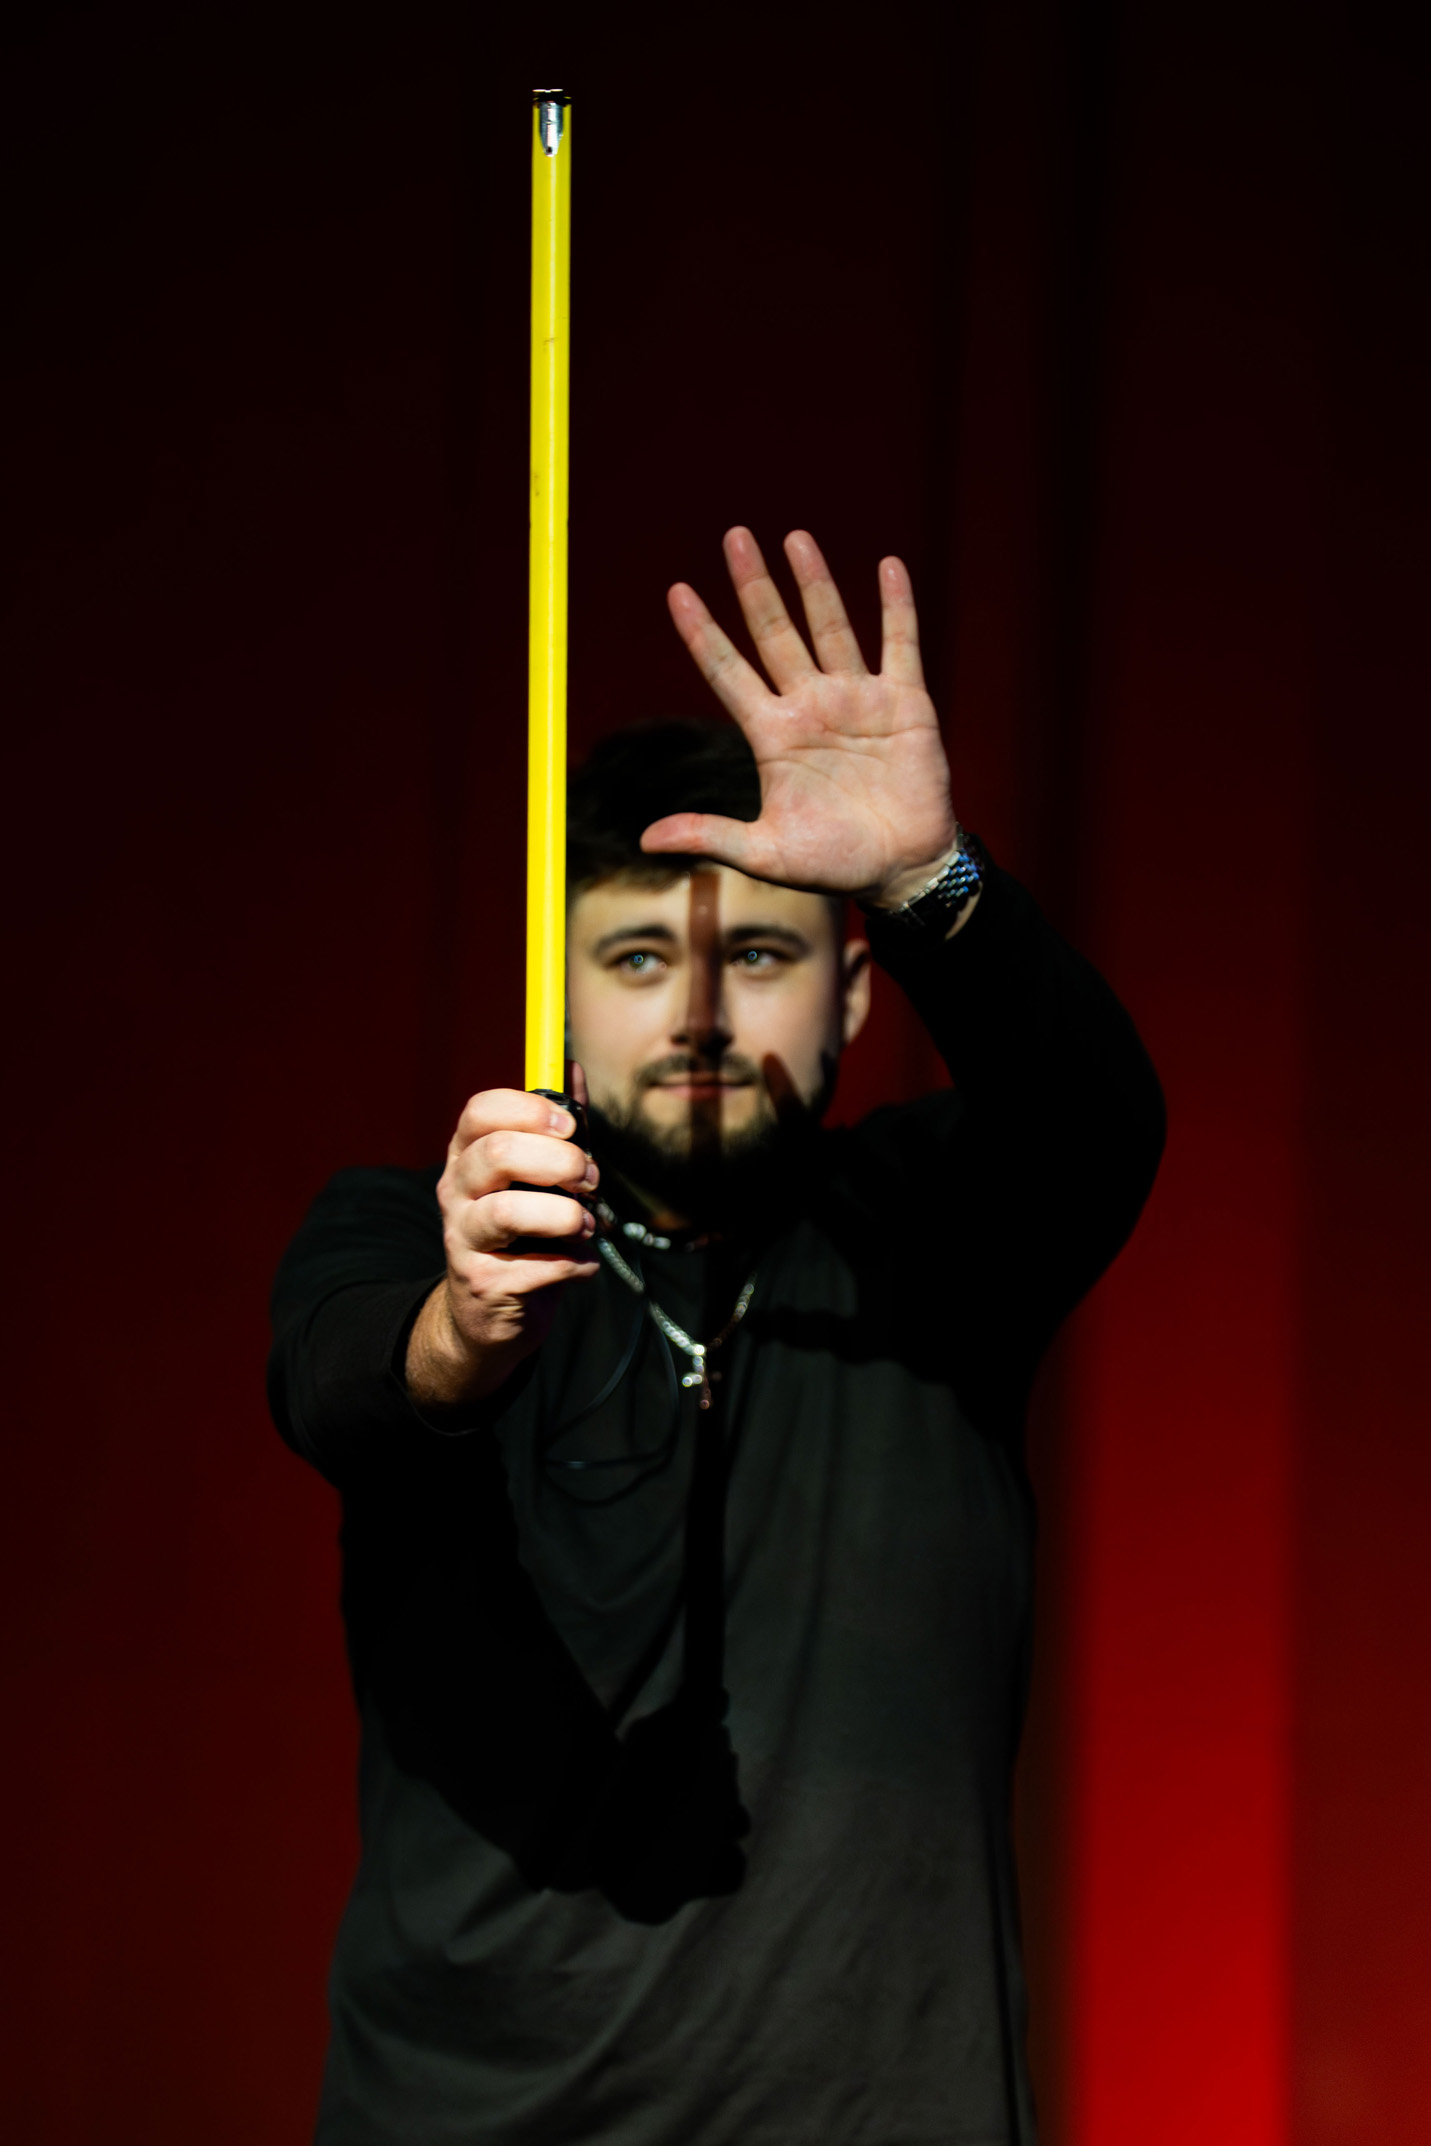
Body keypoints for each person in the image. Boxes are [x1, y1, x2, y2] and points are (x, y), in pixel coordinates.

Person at [269, 527, 1164, 2146]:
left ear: (854, 996)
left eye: (757, 953)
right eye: (636, 958)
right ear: (558, 995)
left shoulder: (934, 1233)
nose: (696, 1014)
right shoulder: (414, 1225)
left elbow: (1096, 1122)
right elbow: (346, 1384)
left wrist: (929, 878)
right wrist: (463, 1329)